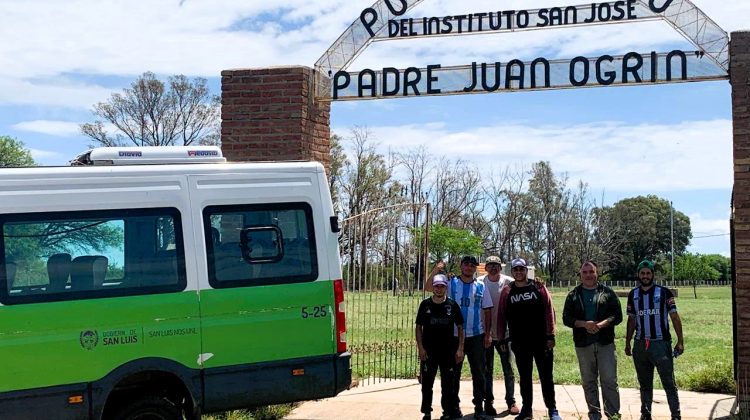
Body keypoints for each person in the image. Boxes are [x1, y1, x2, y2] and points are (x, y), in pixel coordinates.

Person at [426, 256, 493, 419]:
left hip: (476, 335)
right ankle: (451, 408)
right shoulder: (451, 283)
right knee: (452, 374)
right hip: (453, 337)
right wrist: (437, 269)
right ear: (461, 266)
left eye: (472, 266)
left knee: (478, 373)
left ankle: (479, 407)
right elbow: (429, 287)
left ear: (475, 268)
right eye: (466, 265)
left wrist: (488, 334)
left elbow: (487, 311)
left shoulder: (481, 286)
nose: (469, 268)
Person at [496, 258, 561, 420]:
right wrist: (501, 339)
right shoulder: (507, 291)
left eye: (521, 269)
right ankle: (527, 410)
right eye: (515, 269)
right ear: (512, 272)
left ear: (526, 270)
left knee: (546, 376)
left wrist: (551, 335)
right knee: (525, 377)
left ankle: (552, 409)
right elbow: (501, 316)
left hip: (541, 340)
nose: (519, 272)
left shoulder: (538, 287)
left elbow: (549, 311)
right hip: (519, 342)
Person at [562, 261, 623, 420]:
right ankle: (594, 414)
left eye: (591, 271)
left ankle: (613, 415)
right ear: (580, 275)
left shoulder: (608, 293)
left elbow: (618, 316)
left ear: (597, 273)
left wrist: (603, 324)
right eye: (585, 272)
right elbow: (566, 318)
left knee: (609, 380)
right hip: (583, 344)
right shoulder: (573, 295)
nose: (588, 275)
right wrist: (583, 324)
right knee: (589, 381)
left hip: (605, 343)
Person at [624, 260, 684, 420]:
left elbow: (675, 317)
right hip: (640, 344)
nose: (645, 276)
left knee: (669, 383)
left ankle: (676, 415)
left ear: (653, 275)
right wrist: (627, 342)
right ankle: (645, 414)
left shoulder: (664, 293)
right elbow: (631, 320)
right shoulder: (633, 294)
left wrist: (680, 341)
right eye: (642, 273)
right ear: (638, 274)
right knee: (644, 384)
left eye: (648, 273)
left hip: (661, 344)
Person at [416, 274, 465, 420]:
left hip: (448, 351)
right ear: (433, 288)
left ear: (446, 287)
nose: (439, 289)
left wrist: (460, 348)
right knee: (427, 383)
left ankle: (448, 412)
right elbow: (419, 327)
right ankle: (427, 411)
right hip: (429, 351)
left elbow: (461, 327)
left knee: (448, 384)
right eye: (436, 286)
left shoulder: (452, 305)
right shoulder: (425, 305)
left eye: (442, 286)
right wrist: (420, 348)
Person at [481, 255, 520, 416]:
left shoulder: (509, 282)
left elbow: (525, 285)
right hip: (485, 333)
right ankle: (488, 402)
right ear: (486, 268)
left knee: (508, 369)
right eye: (490, 265)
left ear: (501, 267)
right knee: (486, 370)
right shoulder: (480, 282)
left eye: (496, 265)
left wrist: (538, 283)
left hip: (505, 333)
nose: (493, 268)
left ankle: (511, 401)